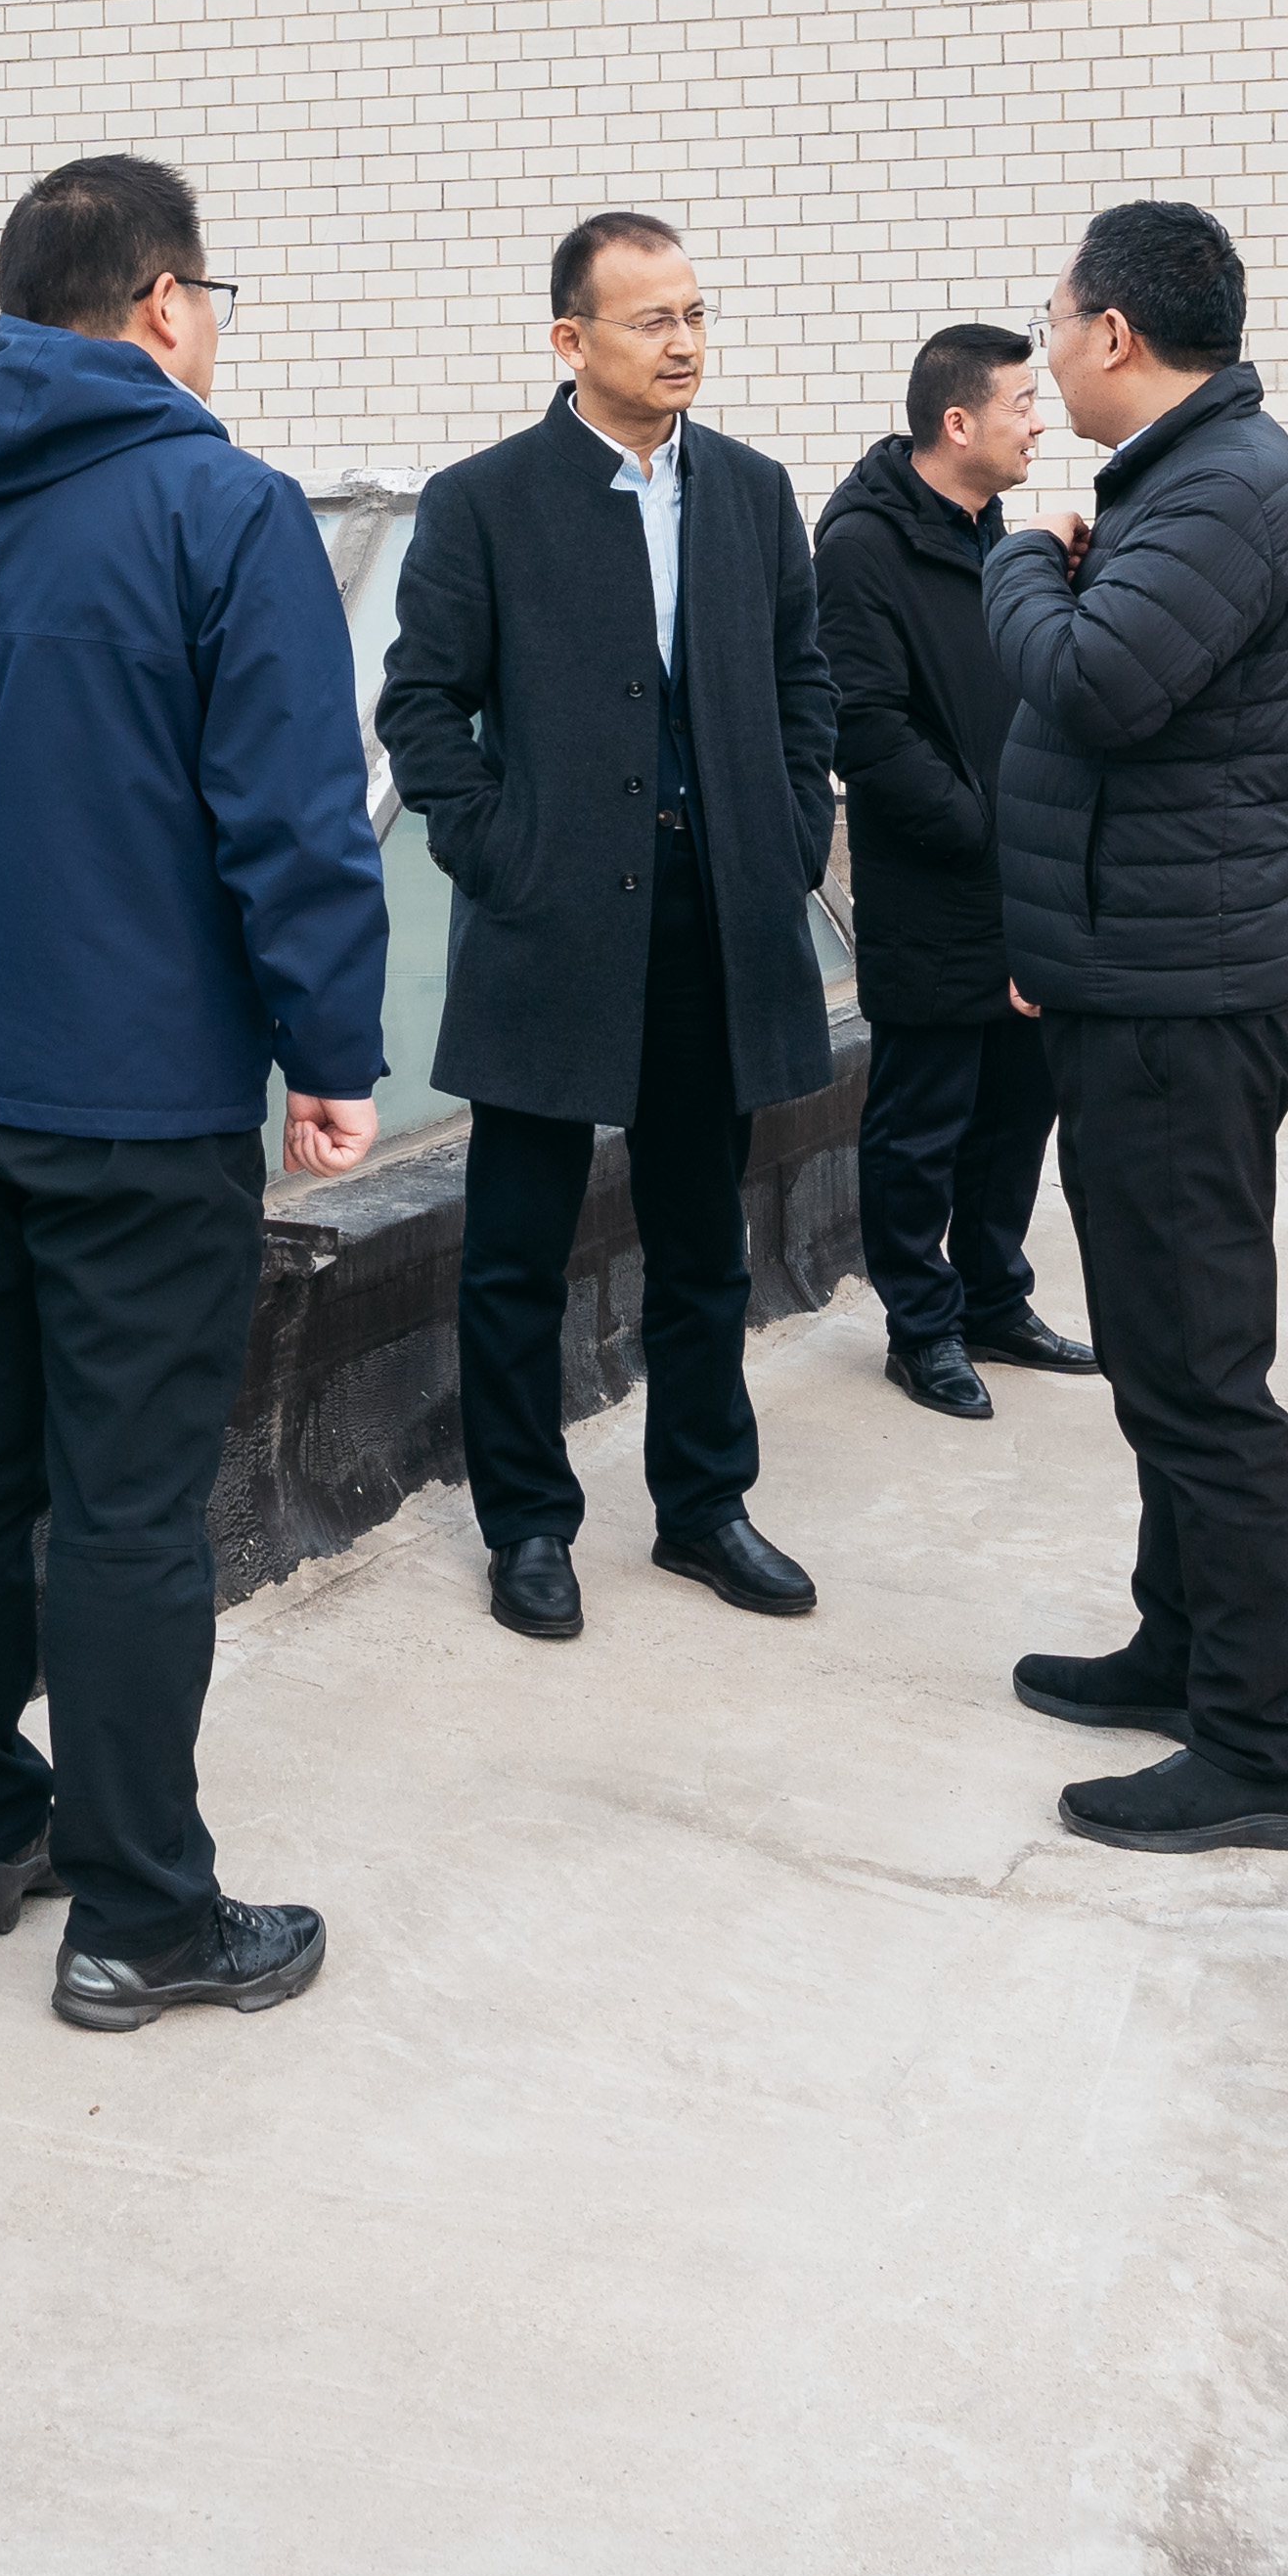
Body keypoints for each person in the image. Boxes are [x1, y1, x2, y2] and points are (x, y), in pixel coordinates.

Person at [0, 154, 388, 2035]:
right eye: (212, 299)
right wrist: (330, 1050)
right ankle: (140, 1914)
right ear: (161, 303)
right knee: (128, 1504)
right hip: (137, 1101)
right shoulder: (225, 512)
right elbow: (293, 818)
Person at [381, 211, 841, 1645]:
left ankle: (703, 1504)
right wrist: (501, 853)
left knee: (705, 1240)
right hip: (551, 923)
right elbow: (419, 707)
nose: (683, 341)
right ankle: (527, 1524)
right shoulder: (484, 501)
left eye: (694, 312)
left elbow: (803, 680)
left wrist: (790, 836)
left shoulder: (751, 492)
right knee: (516, 1248)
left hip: (717, 915)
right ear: (570, 339)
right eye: (651, 320)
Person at [985, 202, 1288, 1856]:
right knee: (1158, 1356)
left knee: (1200, 1378)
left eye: (1053, 325)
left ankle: (1263, 1750)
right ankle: (1180, 1646)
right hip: (1135, 988)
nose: (1046, 358)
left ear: (1115, 333)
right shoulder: (1184, 481)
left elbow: (1092, 686)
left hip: (1177, 1013)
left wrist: (1013, 560)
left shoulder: (1218, 488)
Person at [815, 322, 1102, 1422]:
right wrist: (981, 824)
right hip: (935, 881)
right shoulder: (861, 546)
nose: (1040, 422)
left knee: (1017, 1108)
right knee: (921, 1119)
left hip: (1024, 878)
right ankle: (921, 1327)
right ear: (956, 421)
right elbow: (864, 726)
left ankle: (992, 1299)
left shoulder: (995, 536)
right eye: (1021, 404)